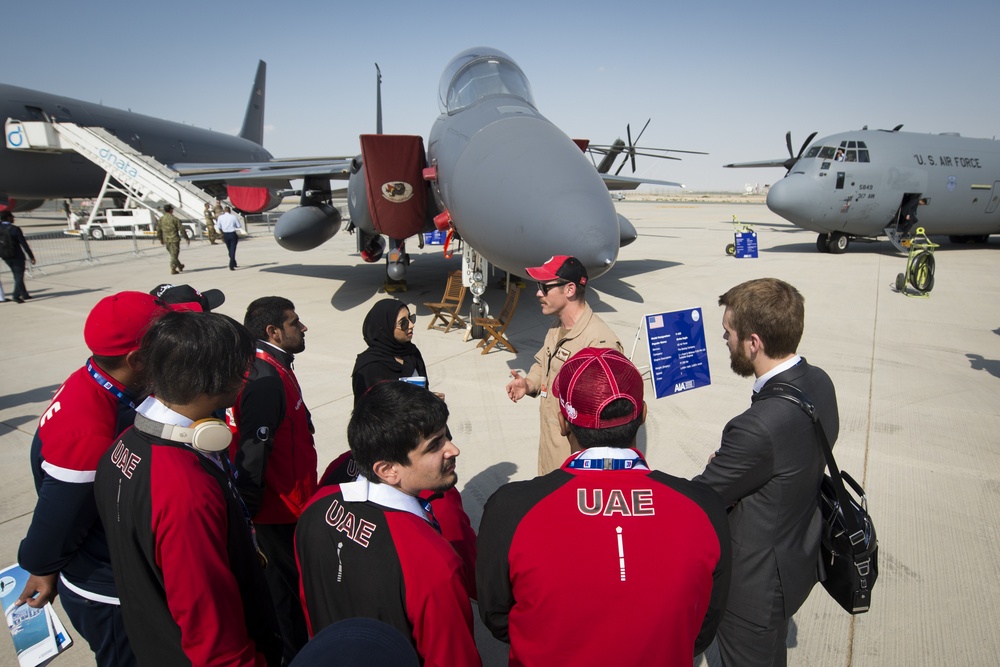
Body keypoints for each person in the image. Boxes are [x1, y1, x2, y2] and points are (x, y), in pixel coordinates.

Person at [478, 348, 731, 665]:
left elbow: (496, 616)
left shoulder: (509, 508)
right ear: (643, 414)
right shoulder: (704, 507)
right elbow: (703, 627)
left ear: (563, 422)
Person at [94, 311, 282, 666]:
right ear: (213, 381)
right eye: (242, 371)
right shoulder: (184, 491)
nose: (246, 380)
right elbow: (213, 637)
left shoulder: (122, 445)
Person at [16, 292, 178, 666]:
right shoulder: (90, 431)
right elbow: (59, 517)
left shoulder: (95, 378)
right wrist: (40, 565)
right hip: (107, 592)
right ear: (137, 359)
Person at [693, 278, 839, 667]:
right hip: (795, 561)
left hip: (752, 589)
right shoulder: (819, 381)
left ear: (753, 343)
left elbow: (701, 497)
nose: (724, 339)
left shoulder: (757, 427)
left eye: (729, 333)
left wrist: (722, 464)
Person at [295, 381, 482, 667]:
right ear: (388, 469)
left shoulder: (316, 508)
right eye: (435, 445)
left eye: (446, 436)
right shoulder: (432, 561)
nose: (453, 450)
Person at [228, 296, 316, 663]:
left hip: (290, 504)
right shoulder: (265, 379)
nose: (303, 327)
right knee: (289, 600)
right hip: (278, 513)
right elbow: (253, 454)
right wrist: (247, 517)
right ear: (273, 332)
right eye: (295, 322)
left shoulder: (275, 365)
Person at [505, 255, 623, 474]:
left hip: (576, 463)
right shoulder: (556, 326)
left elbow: (608, 417)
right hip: (551, 451)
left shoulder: (599, 343)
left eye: (544, 287)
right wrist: (529, 383)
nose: (538, 293)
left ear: (569, 290)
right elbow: (544, 362)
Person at [351, 299, 430, 404]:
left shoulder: (412, 352)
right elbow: (364, 414)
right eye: (403, 323)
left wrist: (432, 400)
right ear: (385, 328)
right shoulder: (368, 368)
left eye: (410, 318)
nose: (411, 325)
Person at [0, 210, 36, 303]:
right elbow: (24, 244)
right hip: (17, 256)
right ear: (8, 218)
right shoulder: (14, 229)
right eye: (12, 217)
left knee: (16, 275)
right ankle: (15, 295)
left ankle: (24, 293)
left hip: (5, 256)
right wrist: (31, 256)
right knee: (19, 275)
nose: (13, 219)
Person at [154, 204, 186, 275]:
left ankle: (180, 266)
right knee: (174, 255)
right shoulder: (175, 219)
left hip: (166, 240)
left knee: (173, 254)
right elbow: (182, 229)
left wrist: (160, 239)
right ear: (171, 210)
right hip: (174, 239)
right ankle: (173, 269)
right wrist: (186, 238)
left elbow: (158, 230)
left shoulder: (161, 219)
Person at [217, 205, 243, 270]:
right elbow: (239, 225)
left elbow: (219, 226)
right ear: (230, 211)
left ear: (224, 211)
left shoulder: (220, 217)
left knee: (229, 249)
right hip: (232, 234)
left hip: (225, 234)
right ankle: (231, 264)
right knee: (232, 250)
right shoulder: (233, 217)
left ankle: (233, 262)